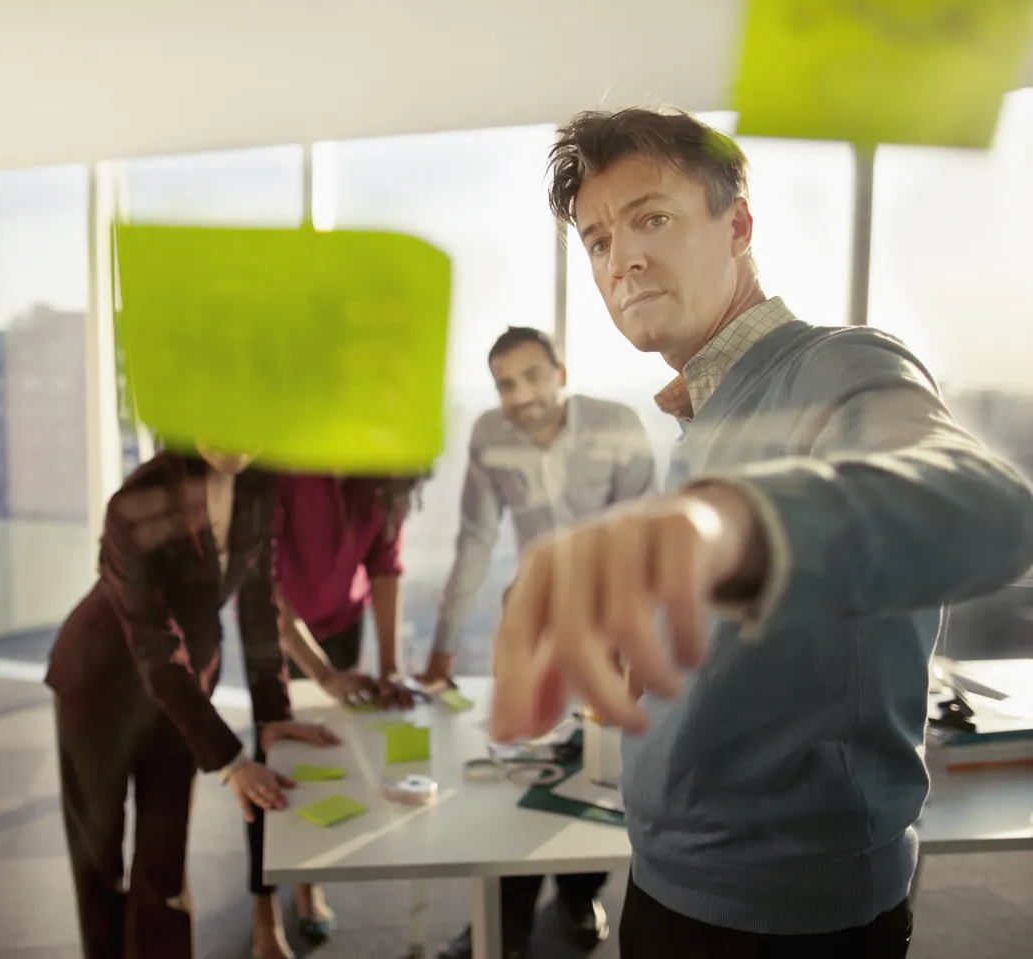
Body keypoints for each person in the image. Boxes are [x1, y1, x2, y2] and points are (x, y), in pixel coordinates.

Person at [490, 107, 1033, 958]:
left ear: (738, 226)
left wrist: (724, 528)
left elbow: (985, 510)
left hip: (787, 919)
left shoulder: (843, 364)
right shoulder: (703, 410)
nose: (621, 259)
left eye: (651, 219)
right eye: (597, 241)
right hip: (671, 880)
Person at [46, 444, 341, 959]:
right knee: (100, 860)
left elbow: (260, 604)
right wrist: (232, 762)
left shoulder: (259, 483)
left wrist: (274, 718)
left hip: (181, 692)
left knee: (163, 862)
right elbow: (154, 645)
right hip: (100, 687)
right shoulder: (136, 501)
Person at [426, 326, 656, 959]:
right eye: (505, 384)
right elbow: (475, 538)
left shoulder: (616, 425)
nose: (520, 395)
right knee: (519, 770)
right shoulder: (489, 436)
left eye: (531, 377)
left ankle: (579, 894)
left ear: (561, 373)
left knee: (601, 769)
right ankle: (502, 923)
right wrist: (443, 647)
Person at [262, 472, 422, 942]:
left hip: (341, 620)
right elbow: (262, 581)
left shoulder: (386, 472)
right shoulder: (284, 468)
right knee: (269, 766)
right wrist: (322, 673)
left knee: (322, 755)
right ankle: (262, 911)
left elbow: (385, 563)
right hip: (270, 626)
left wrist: (390, 667)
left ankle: (308, 882)